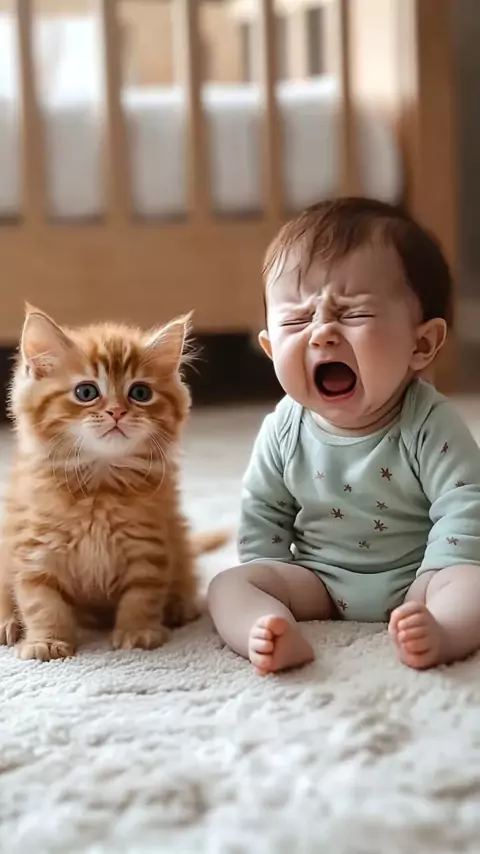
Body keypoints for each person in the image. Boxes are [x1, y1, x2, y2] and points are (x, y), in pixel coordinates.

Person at [208, 197, 480, 674]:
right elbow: (263, 513)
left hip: (420, 577)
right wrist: (274, 580)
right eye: (297, 320)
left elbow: (465, 503)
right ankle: (267, 629)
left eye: (353, 314)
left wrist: (441, 575)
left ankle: (442, 632)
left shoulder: (428, 422)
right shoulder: (283, 429)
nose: (321, 334)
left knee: (472, 584)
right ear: (270, 348)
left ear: (421, 344)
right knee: (228, 586)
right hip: (318, 581)